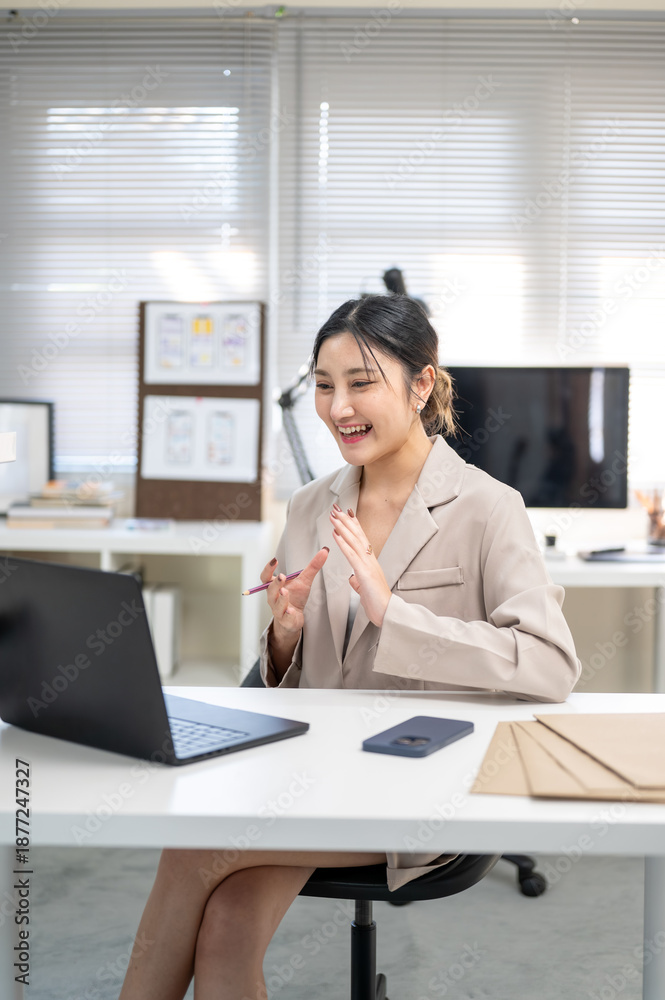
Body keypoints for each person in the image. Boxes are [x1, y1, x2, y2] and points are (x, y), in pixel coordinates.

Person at [119, 294, 580, 1000]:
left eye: (361, 383)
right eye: (325, 385)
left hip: (423, 785)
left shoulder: (490, 507)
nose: (339, 408)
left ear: (421, 384)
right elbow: (292, 679)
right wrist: (285, 634)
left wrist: (394, 614)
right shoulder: (310, 505)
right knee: (227, 927)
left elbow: (550, 663)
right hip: (313, 778)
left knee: (194, 845)